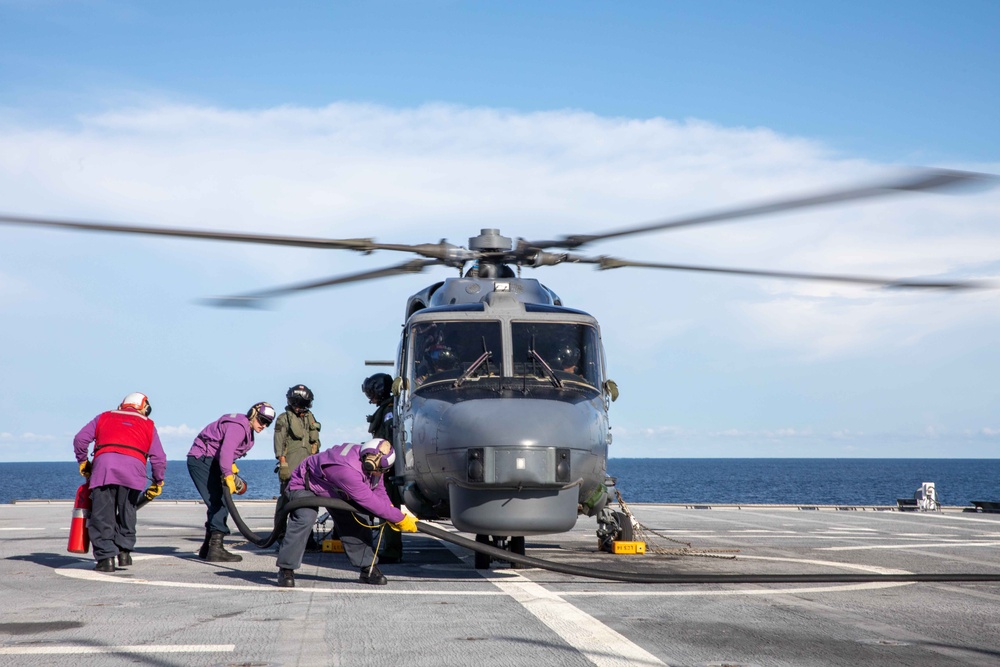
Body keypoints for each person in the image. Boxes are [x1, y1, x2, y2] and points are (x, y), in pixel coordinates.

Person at [274, 439, 417, 588]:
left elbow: (378, 489)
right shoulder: (346, 470)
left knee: (355, 520)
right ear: (369, 462)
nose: (381, 473)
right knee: (305, 517)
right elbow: (368, 500)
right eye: (380, 469)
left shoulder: (373, 459)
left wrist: (390, 509)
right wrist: (399, 518)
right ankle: (286, 569)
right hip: (305, 485)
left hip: (335, 489)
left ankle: (367, 568)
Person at [73, 392, 166, 572]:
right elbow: (159, 458)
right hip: (133, 471)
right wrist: (158, 481)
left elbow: (80, 439)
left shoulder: (105, 417)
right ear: (144, 407)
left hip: (104, 469)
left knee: (102, 514)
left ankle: (106, 559)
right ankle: (124, 553)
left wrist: (83, 461)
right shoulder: (148, 425)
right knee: (127, 511)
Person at [187, 401, 276, 562]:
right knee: (219, 503)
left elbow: (224, 450)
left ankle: (208, 548)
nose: (264, 425)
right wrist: (228, 474)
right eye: (262, 420)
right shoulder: (239, 427)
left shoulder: (246, 430)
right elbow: (226, 451)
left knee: (217, 502)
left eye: (268, 423)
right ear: (253, 414)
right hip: (202, 460)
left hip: (209, 460)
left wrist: (230, 468)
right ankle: (215, 549)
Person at [362, 373, 403, 563]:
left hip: (387, 468)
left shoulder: (388, 411)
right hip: (386, 467)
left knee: (387, 507)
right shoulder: (387, 408)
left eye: (371, 393)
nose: (370, 398)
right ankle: (389, 547)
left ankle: (392, 550)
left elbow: (387, 440)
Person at [273, 384, 321, 495]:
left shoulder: (310, 418)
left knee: (309, 491)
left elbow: (315, 439)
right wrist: (283, 464)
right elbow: (279, 442)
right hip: (291, 463)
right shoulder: (283, 419)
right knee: (287, 493)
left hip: (308, 462)